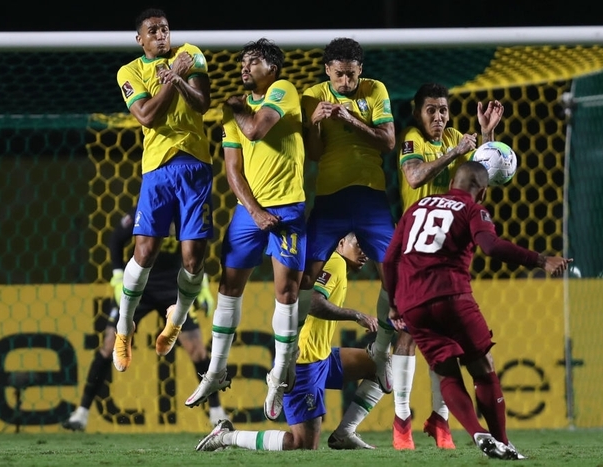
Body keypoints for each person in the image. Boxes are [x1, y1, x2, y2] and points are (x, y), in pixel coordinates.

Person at [383, 161, 572, 460]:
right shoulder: (472, 209)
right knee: (483, 368)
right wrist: (540, 260)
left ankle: (477, 433)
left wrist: (394, 302)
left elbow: (390, 258)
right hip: (451, 296)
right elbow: (491, 246)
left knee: (446, 374)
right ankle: (503, 441)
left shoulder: (417, 207)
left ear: (452, 182)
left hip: (412, 303)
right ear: (482, 192)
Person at [184, 38, 306, 422]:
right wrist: (253, 212)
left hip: (288, 208)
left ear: (271, 68)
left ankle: (277, 376)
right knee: (228, 286)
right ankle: (216, 371)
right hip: (249, 213)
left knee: (286, 291)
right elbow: (232, 169)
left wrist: (238, 108)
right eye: (242, 61)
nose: (244, 67)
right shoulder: (231, 108)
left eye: (252, 61)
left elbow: (255, 131)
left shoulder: (282, 91)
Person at [391, 82, 504, 450]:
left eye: (443, 110)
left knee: (450, 341)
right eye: (431, 110)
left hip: (449, 249)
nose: (438, 117)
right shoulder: (411, 139)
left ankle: (440, 419)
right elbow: (413, 177)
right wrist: (455, 150)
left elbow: (482, 170)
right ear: (418, 112)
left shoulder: (456, 135)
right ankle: (402, 419)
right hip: (415, 248)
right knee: (407, 335)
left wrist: (487, 134)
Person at [196, 233, 386, 452]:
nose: (365, 253)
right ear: (341, 243)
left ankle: (344, 433)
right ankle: (227, 436)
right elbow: (313, 301)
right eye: (358, 244)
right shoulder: (333, 263)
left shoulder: (335, 264)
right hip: (303, 362)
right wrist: (356, 315)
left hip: (322, 356)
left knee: (379, 365)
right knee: (302, 445)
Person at [61, 209, 227, 431]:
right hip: (140, 285)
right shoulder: (149, 208)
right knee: (109, 344)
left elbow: (197, 249)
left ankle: (216, 412)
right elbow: (115, 240)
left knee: (197, 348)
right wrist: (119, 275)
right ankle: (81, 413)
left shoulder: (188, 212)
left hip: (173, 287)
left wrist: (202, 283)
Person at [113, 8, 213, 374]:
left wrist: (179, 77)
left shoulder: (192, 54)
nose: (161, 35)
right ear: (140, 39)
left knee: (193, 258)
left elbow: (201, 105)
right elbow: (146, 116)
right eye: (152, 30)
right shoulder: (130, 71)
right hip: (157, 169)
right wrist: (173, 79)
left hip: (196, 166)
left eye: (165, 29)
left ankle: (176, 322)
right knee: (146, 250)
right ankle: (124, 328)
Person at [298, 37, 396, 401]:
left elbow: (387, 141)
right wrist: (316, 125)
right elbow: (313, 154)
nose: (345, 82)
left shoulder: (375, 90)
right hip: (330, 198)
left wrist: (350, 117)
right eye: (339, 75)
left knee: (394, 278)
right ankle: (285, 361)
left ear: (360, 72)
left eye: (352, 75)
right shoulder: (312, 95)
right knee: (304, 280)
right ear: (327, 71)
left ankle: (382, 352)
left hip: (370, 196)